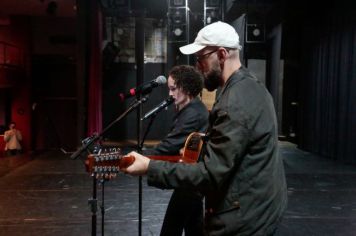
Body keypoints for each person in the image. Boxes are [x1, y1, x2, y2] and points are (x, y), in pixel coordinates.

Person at [122, 21, 287, 235]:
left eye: (200, 59)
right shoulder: (250, 86)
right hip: (262, 208)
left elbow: (211, 174)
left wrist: (149, 167)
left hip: (246, 219)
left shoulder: (234, 101)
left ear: (220, 55)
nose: (198, 67)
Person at [144, 65, 209, 236]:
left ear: (186, 87)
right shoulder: (192, 109)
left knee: (170, 230)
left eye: (173, 89)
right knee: (194, 228)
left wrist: (140, 158)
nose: (170, 94)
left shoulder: (192, 113)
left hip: (191, 181)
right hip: (193, 180)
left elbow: (169, 145)